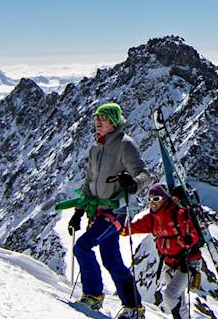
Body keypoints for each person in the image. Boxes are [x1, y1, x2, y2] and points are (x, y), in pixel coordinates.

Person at [56, 102, 154, 319]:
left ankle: (93, 295)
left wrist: (133, 183)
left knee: (83, 246)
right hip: (97, 211)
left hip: (114, 212)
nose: (98, 122)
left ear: (114, 122)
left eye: (104, 119)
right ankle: (134, 307)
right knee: (112, 260)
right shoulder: (96, 147)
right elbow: (89, 181)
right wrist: (79, 211)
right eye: (96, 119)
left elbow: (146, 175)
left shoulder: (125, 145)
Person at [125, 184, 203, 319]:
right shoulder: (151, 218)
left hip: (188, 263)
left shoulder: (178, 214)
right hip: (170, 263)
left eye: (156, 198)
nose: (152, 203)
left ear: (165, 199)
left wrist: (189, 238)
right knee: (177, 300)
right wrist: (118, 228)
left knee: (170, 296)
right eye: (149, 199)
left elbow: (192, 233)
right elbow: (133, 227)